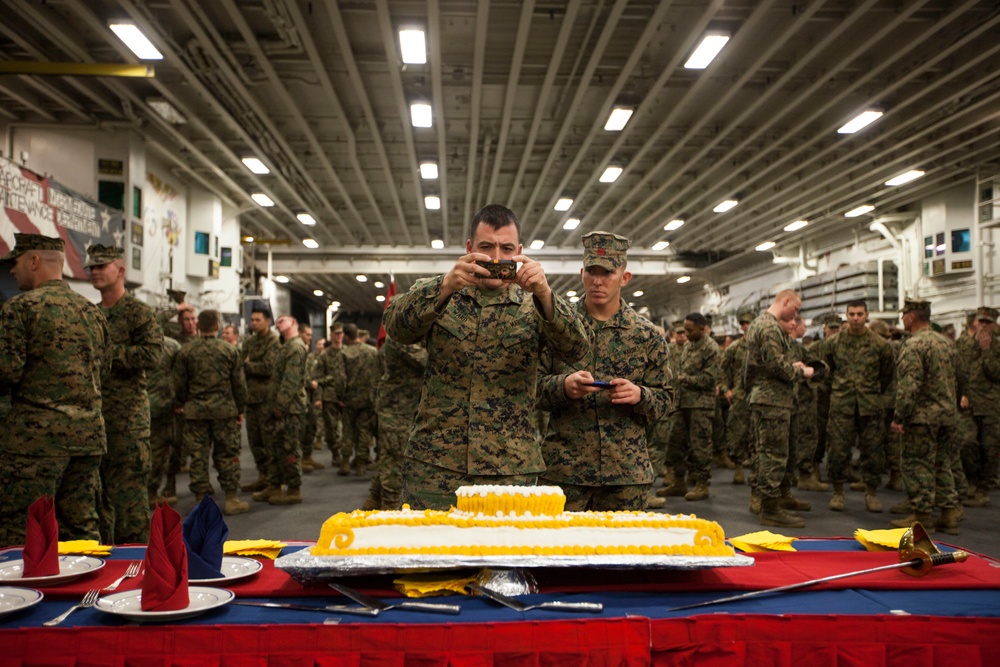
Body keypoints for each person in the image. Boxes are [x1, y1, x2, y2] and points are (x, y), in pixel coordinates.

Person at [383, 203, 589, 510]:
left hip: (510, 470)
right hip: (437, 465)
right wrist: (443, 287)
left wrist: (545, 295)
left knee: (505, 556)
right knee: (431, 553)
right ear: (469, 248)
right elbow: (396, 328)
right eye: (486, 247)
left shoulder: (534, 303)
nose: (496, 257)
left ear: (519, 251)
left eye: (506, 248)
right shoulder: (441, 291)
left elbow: (576, 349)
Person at [537, 232, 670, 511]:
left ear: (624, 277)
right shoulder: (558, 327)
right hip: (565, 473)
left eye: (607, 273)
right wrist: (563, 387)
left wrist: (640, 395)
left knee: (622, 553)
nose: (597, 281)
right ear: (582, 273)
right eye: (592, 272)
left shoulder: (647, 335)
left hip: (624, 477)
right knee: (561, 553)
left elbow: (666, 401)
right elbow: (528, 389)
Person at [0, 234, 109, 546]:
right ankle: (88, 592)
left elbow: (5, 372)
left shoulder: (20, 308)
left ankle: (21, 596)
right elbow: (105, 369)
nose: (11, 270)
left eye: (16, 262)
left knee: (21, 531)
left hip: (35, 444)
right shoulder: (92, 312)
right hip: (88, 440)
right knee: (82, 529)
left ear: (34, 261)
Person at [85, 245, 164, 544]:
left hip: (128, 421)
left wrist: (108, 353)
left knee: (129, 500)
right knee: (98, 498)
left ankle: (136, 564)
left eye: (101, 266)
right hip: (95, 420)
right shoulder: (91, 314)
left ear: (120, 271)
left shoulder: (137, 312)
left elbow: (153, 354)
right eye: (91, 267)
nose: (94, 271)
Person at [744, 289, 815, 528]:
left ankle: (777, 498)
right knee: (773, 454)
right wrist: (801, 371)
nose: (795, 314)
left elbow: (763, 364)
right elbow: (776, 366)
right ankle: (770, 507)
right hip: (772, 399)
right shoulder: (770, 327)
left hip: (768, 397)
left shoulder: (758, 324)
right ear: (785, 302)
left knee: (773, 452)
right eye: (795, 308)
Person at [889, 299, 961, 533]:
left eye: (904, 316)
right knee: (942, 464)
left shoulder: (913, 346)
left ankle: (922, 516)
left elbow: (909, 385)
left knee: (917, 464)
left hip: (922, 418)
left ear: (911, 317)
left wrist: (900, 417)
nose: (902, 320)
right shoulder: (947, 343)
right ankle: (949, 513)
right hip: (947, 415)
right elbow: (959, 378)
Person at [172, 310, 249, 515]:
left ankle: (200, 500)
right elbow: (239, 385)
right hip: (224, 412)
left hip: (195, 412)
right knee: (227, 454)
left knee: (198, 456)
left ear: (198, 326)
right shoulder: (229, 351)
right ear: (217, 326)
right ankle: (231, 498)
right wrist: (240, 409)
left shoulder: (186, 351)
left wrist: (181, 402)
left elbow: (179, 384)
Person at [821, 300, 895, 514]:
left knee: (873, 451)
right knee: (837, 450)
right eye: (851, 314)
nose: (855, 318)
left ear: (866, 315)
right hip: (842, 405)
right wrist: (837, 391)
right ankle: (838, 492)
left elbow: (887, 374)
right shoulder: (833, 343)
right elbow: (827, 372)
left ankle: (871, 493)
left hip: (869, 405)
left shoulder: (879, 345)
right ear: (846, 315)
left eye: (859, 314)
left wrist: (872, 391)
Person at [366, 334, 427, 510]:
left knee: (389, 456)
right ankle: (390, 508)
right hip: (396, 408)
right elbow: (426, 360)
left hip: (405, 407)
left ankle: (374, 500)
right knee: (395, 459)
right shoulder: (401, 336)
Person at [255, 315, 308, 505]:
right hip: (281, 406)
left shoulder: (296, 347)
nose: (278, 324)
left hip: (290, 408)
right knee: (276, 447)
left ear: (293, 323)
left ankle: (294, 488)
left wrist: (280, 405)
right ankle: (274, 485)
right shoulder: (286, 346)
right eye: (277, 322)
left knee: (289, 448)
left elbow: (291, 381)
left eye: (283, 320)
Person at [667, 312, 720, 502]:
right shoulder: (688, 346)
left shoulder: (710, 348)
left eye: (690, 330)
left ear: (702, 328)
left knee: (700, 446)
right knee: (675, 440)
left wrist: (685, 380)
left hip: (701, 404)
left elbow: (710, 379)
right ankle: (679, 481)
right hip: (682, 402)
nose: (686, 334)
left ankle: (702, 483)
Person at [960, 306, 1000, 508]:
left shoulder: (997, 348)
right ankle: (971, 483)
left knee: (989, 449)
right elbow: (959, 372)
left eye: (988, 322)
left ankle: (983, 490)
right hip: (968, 406)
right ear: (974, 322)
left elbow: (996, 374)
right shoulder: (964, 344)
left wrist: (986, 351)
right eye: (980, 321)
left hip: (991, 407)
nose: (983, 326)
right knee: (967, 443)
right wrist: (962, 394)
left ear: (994, 325)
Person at [240, 305, 281, 492]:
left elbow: (269, 367)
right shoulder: (250, 342)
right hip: (251, 398)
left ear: (267, 321)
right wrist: (247, 366)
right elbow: (240, 365)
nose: (254, 323)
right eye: (252, 320)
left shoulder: (274, 341)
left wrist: (249, 366)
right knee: (255, 442)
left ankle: (274, 482)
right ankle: (263, 476)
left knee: (269, 443)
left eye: (258, 320)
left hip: (266, 399)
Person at [338, 323, 380, 476]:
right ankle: (361, 464)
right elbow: (378, 374)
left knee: (347, 430)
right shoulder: (371, 351)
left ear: (346, 336)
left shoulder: (343, 353)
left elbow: (341, 379)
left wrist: (340, 397)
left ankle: (345, 462)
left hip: (349, 399)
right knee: (364, 432)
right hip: (368, 398)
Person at [720, 312, 755, 485]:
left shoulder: (762, 345)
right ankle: (739, 467)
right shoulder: (734, 348)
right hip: (740, 395)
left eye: (748, 323)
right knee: (737, 432)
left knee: (757, 434)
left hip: (758, 395)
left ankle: (758, 471)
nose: (745, 326)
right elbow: (721, 369)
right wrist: (726, 388)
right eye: (743, 324)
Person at [147, 335, 182, 505]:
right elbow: (180, 375)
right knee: (160, 450)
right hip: (163, 405)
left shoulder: (128, 343)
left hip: (132, 406)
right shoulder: (171, 345)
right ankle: (150, 492)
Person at [312, 323, 346, 466]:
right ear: (331, 335)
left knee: (349, 428)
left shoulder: (349, 352)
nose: (338, 336)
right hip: (330, 396)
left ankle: (348, 455)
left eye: (340, 333)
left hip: (347, 396)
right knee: (331, 428)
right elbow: (316, 379)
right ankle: (336, 454)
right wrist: (318, 398)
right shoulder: (325, 355)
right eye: (336, 334)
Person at [299, 324, 324, 473]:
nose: (309, 338)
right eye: (307, 335)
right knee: (302, 429)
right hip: (302, 397)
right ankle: (299, 460)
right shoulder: (302, 353)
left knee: (311, 427)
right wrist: (310, 383)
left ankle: (307, 457)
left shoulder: (307, 353)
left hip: (311, 396)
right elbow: (301, 376)